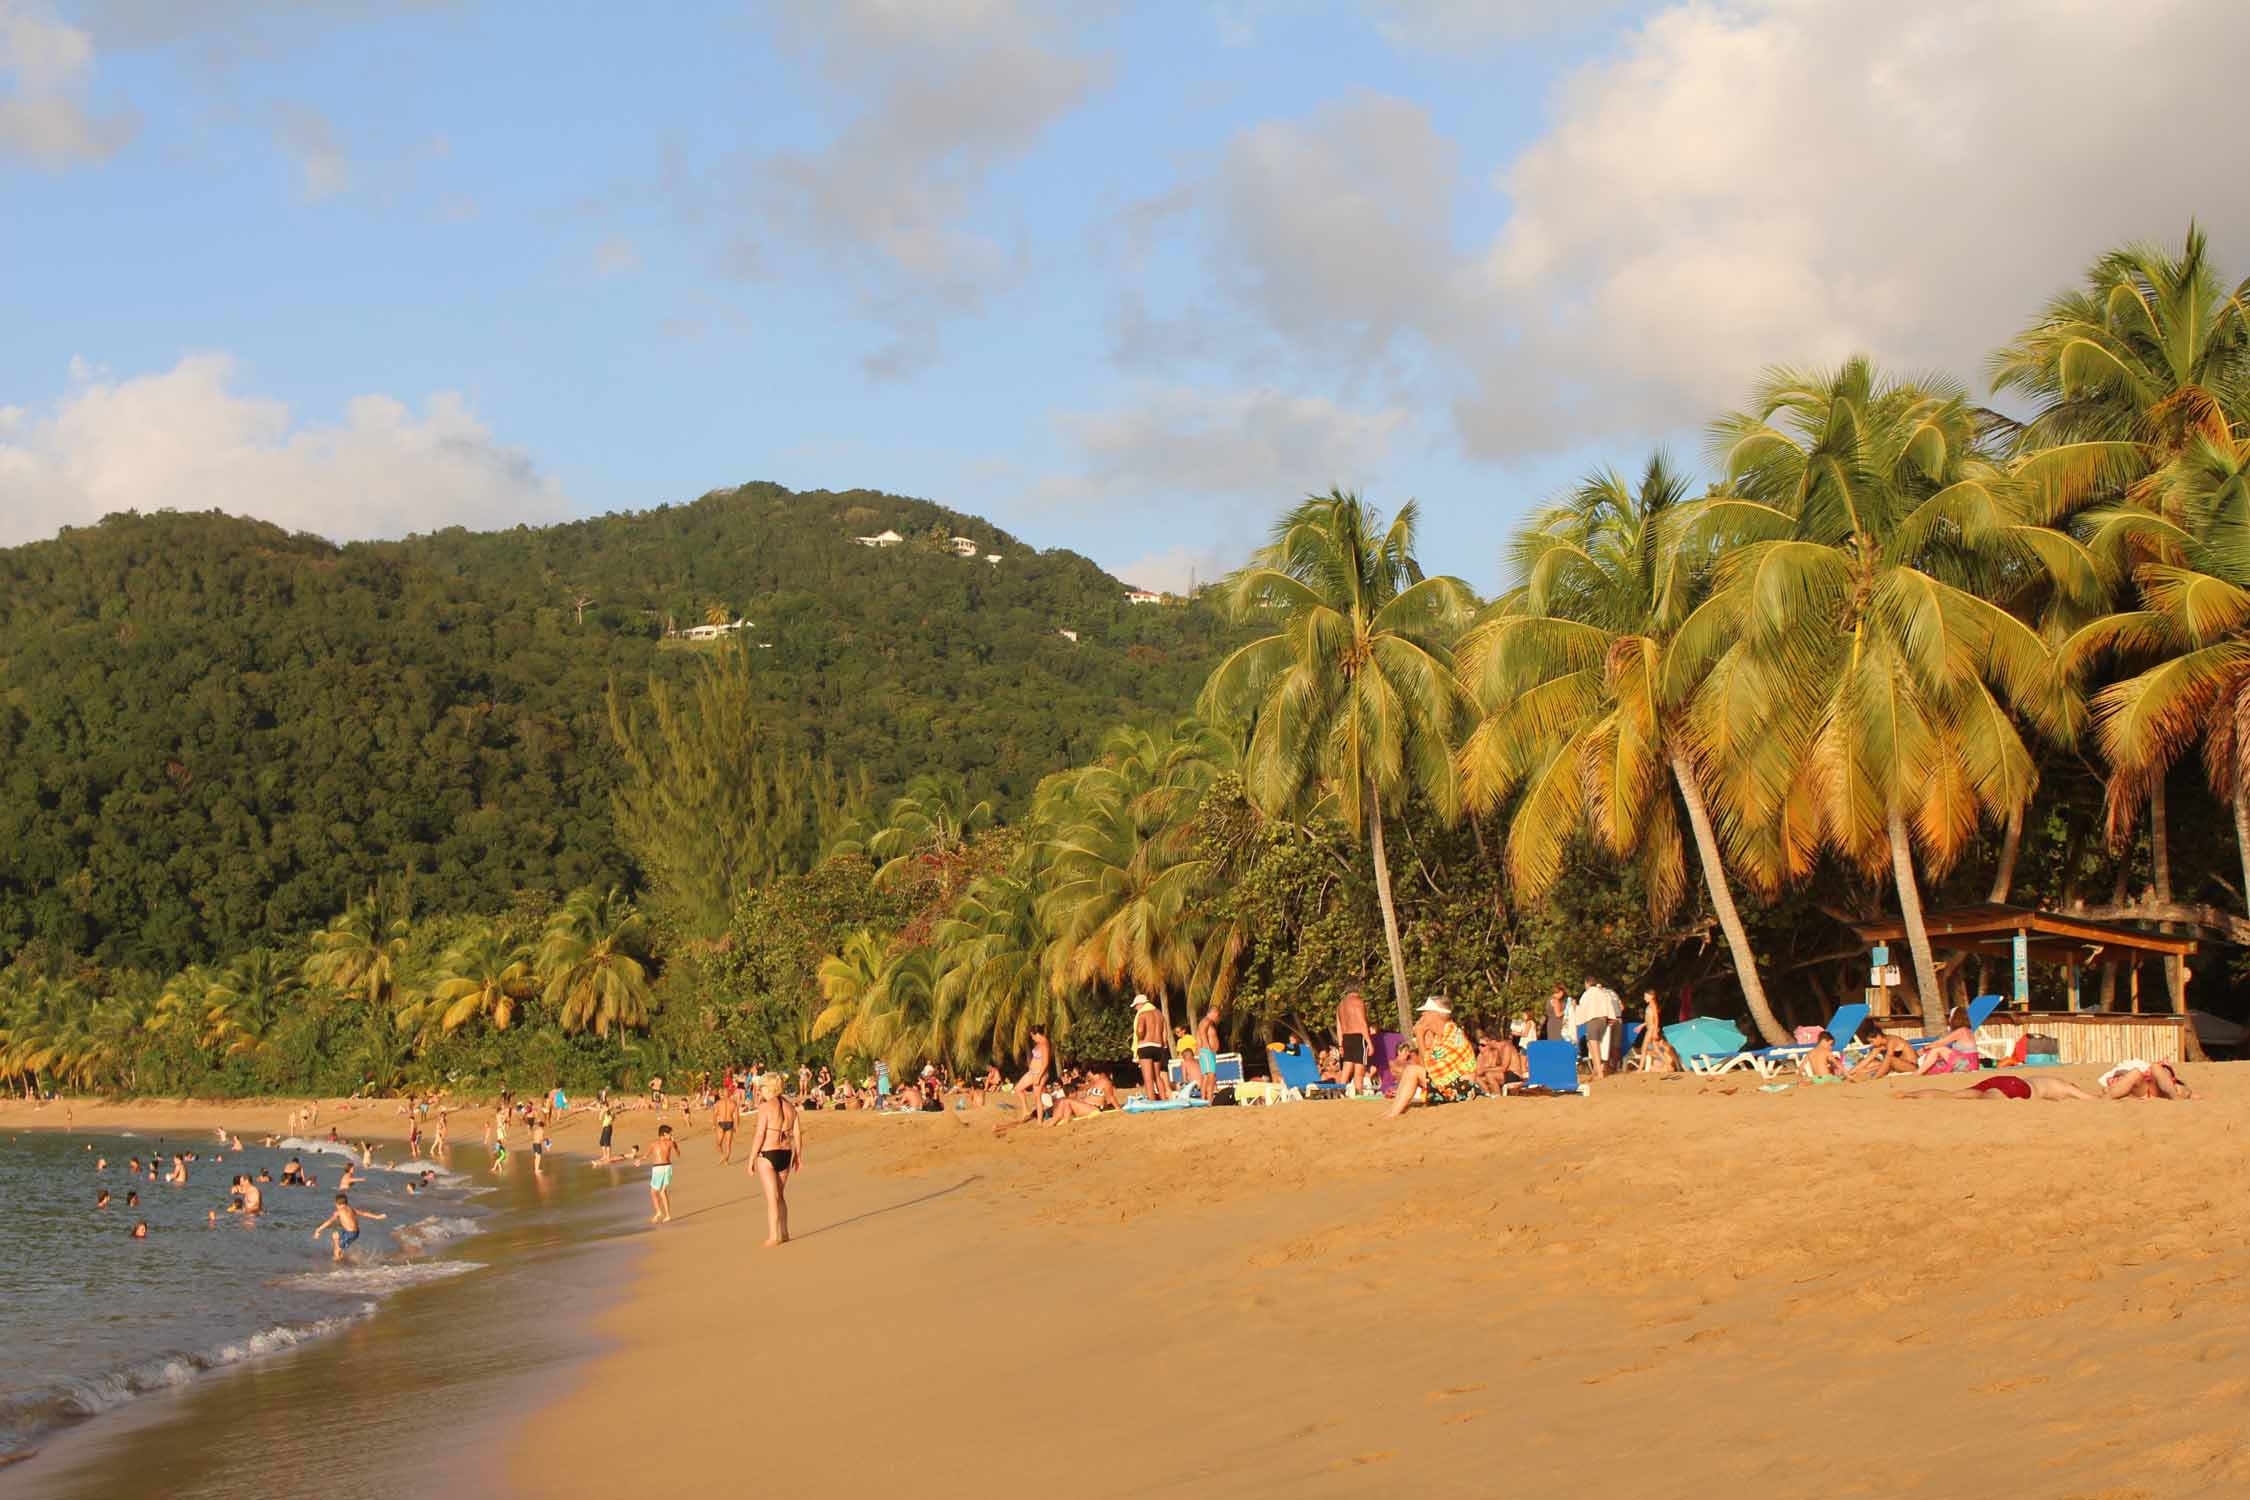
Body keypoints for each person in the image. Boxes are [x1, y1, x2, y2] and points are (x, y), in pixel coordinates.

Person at [1386, 997, 1479, 1117]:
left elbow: (1428, 1069)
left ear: (1434, 1015)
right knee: (1410, 1070)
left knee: (1412, 1070)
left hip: (1461, 1090)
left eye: (1425, 1012)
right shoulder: (1440, 1036)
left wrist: (1419, 1036)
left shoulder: (1452, 1037)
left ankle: (1393, 1114)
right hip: (1451, 1086)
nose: (1422, 1015)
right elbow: (1427, 1066)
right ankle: (1392, 1110)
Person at [747, 1075, 801, 1247]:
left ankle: (773, 1236)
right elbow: (798, 1134)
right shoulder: (791, 1107)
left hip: (768, 1153)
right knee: (780, 1196)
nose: (760, 1090)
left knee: (772, 1198)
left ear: (769, 1088)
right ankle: (784, 1232)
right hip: (786, 1153)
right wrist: (798, 1156)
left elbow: (760, 1134)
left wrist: (751, 1158)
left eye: (761, 1087)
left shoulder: (765, 1107)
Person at [996, 1027, 1057, 1135]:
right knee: (1018, 1088)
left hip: (1039, 1073)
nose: (1032, 1038)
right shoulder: (1039, 1043)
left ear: (1036, 1034)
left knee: (1037, 1097)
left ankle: (1039, 1121)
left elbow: (1046, 1062)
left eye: (1032, 1036)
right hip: (1032, 1072)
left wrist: (1039, 1076)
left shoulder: (1044, 1043)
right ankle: (1026, 1110)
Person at [1573, 975, 1623, 1079]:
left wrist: (1575, 1007)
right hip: (1603, 1020)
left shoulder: (1587, 994)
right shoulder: (1603, 993)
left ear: (1587, 983)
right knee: (1593, 1044)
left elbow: (1583, 1008)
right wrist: (1611, 1018)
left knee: (1594, 1045)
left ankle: (1599, 1072)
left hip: (1594, 1020)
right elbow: (1609, 1005)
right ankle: (1597, 1070)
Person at [1899, 1075, 2098, 1101]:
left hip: (2006, 1079)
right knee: (1986, 1102)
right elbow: (2090, 1099)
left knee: (1953, 1095)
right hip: (2019, 1088)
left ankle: (1907, 1094)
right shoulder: (2064, 1086)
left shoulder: (2049, 1079)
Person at [312, 1192, 385, 1261]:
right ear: (346, 1202)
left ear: (336, 1203)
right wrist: (377, 1217)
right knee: (335, 1235)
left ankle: (337, 1263)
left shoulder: (339, 1212)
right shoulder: (351, 1209)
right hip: (350, 1231)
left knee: (337, 1251)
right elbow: (364, 1213)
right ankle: (340, 1251)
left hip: (351, 1233)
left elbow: (329, 1222)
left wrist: (318, 1230)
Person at [1914, 1007, 1982, 1075]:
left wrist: (1924, 1049)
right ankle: (1919, 1072)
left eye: (1950, 1017)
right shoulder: (1968, 1031)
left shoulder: (1961, 1031)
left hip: (1967, 1065)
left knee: (1937, 1050)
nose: (1949, 1019)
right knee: (1937, 1057)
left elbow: (1940, 1043)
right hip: (1971, 1064)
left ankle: (1916, 1074)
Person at [1336, 982, 1374, 1096]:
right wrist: (1369, 1043)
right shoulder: (1358, 1002)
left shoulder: (1340, 1005)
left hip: (1346, 1037)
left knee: (1347, 1066)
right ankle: (1359, 1094)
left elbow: (1339, 1026)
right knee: (1359, 1069)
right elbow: (1362, 1022)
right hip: (1358, 1036)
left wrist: (1340, 1044)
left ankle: (1341, 1092)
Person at [1130, 996, 1171, 1101]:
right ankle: (1163, 1098)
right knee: (1157, 1076)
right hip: (1158, 1047)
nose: (1135, 1008)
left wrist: (1140, 1038)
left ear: (1141, 1004)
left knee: (1148, 1079)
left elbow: (1140, 1030)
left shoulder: (1142, 1014)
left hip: (1145, 1046)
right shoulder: (1160, 1015)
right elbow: (1165, 1036)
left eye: (1136, 1006)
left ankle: (1152, 1101)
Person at [2097, 1059, 2196, 1099]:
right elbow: (2104, 1091)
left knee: (2155, 1067)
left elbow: (2192, 1095)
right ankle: (2176, 1098)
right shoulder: (2116, 1078)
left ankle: (2176, 1099)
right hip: (2145, 1091)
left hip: (2158, 1091)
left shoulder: (2176, 1085)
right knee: (2136, 1072)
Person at [1848, 1032, 1919, 1081]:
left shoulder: (1892, 1041)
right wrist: (1848, 1073)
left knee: (1889, 1059)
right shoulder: (1879, 1046)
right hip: (1896, 1066)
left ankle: (1874, 1078)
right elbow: (1867, 1060)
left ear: (1878, 1036)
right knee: (1871, 1063)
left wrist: (1874, 1078)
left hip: (1911, 1066)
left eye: (1872, 1041)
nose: (1872, 1044)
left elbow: (1888, 1060)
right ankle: (1853, 1075)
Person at [647, 1124, 680, 1224]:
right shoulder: (670, 1143)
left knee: (653, 1192)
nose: (671, 1135)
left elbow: (646, 1156)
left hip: (658, 1168)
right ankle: (668, 1215)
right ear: (664, 1134)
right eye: (669, 1133)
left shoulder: (653, 1144)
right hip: (668, 1167)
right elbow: (678, 1154)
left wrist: (639, 1160)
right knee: (663, 1191)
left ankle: (658, 1212)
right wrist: (674, 1143)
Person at [1196, 1005, 1223, 1098]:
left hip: (1208, 1052)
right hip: (1207, 1052)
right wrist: (1207, 1047)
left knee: (1207, 1076)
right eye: (1218, 1015)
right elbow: (1202, 1032)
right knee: (1211, 1075)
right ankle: (1209, 1098)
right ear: (1213, 1013)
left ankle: (1205, 1098)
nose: (1218, 1017)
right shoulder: (1206, 1021)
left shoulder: (1209, 1022)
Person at [1172, 1026, 1205, 1100]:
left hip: (1195, 1087)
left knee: (1176, 1085)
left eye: (1178, 1032)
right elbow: (1180, 1053)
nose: (1177, 1034)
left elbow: (1185, 1080)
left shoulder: (1189, 1038)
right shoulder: (1198, 1062)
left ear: (1183, 1031)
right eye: (1176, 1033)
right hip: (1203, 1085)